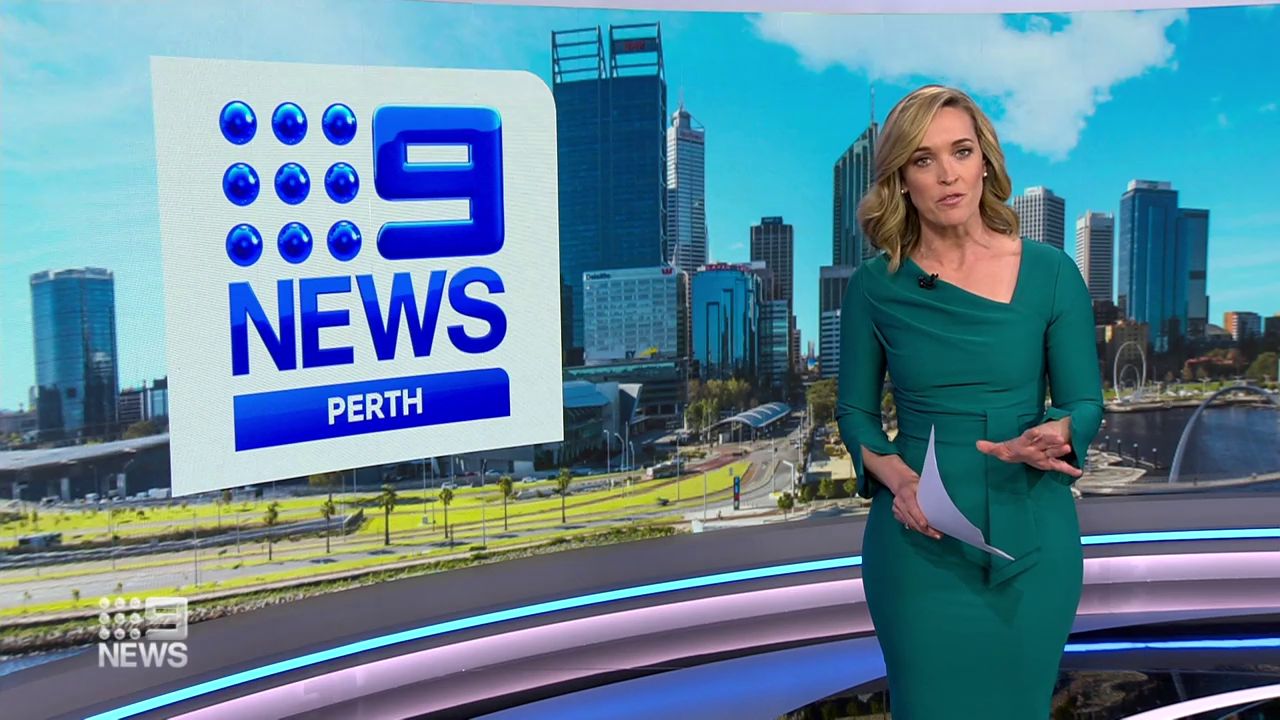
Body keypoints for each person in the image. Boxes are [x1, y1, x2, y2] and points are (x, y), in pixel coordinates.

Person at [837, 84, 1104, 718]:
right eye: (923, 159)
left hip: (1032, 535)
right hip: (918, 545)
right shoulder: (874, 286)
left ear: (985, 161)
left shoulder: (1052, 272)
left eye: (960, 151)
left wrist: (1058, 431)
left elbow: (1084, 402)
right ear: (902, 180)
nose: (947, 173)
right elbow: (856, 414)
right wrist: (898, 478)